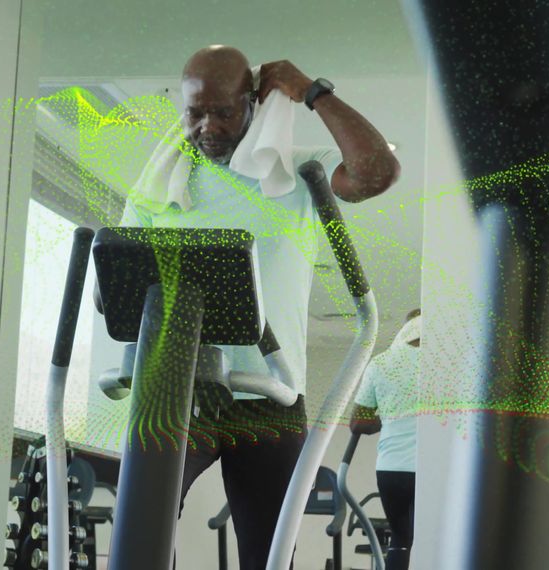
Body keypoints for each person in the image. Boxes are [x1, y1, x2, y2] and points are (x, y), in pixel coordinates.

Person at [120, 45, 400, 570]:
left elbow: (376, 172)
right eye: (194, 112)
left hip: (270, 392)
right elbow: (117, 285)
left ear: (252, 104)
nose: (207, 126)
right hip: (177, 386)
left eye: (223, 112)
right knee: (140, 538)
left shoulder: (293, 178)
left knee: (269, 555)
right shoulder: (156, 186)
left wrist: (313, 92)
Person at [350, 308, 421, 570]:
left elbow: (358, 423)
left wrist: (391, 418)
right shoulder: (448, 361)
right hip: (432, 471)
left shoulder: (382, 362)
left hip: (391, 469)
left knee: (401, 539)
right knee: (435, 539)